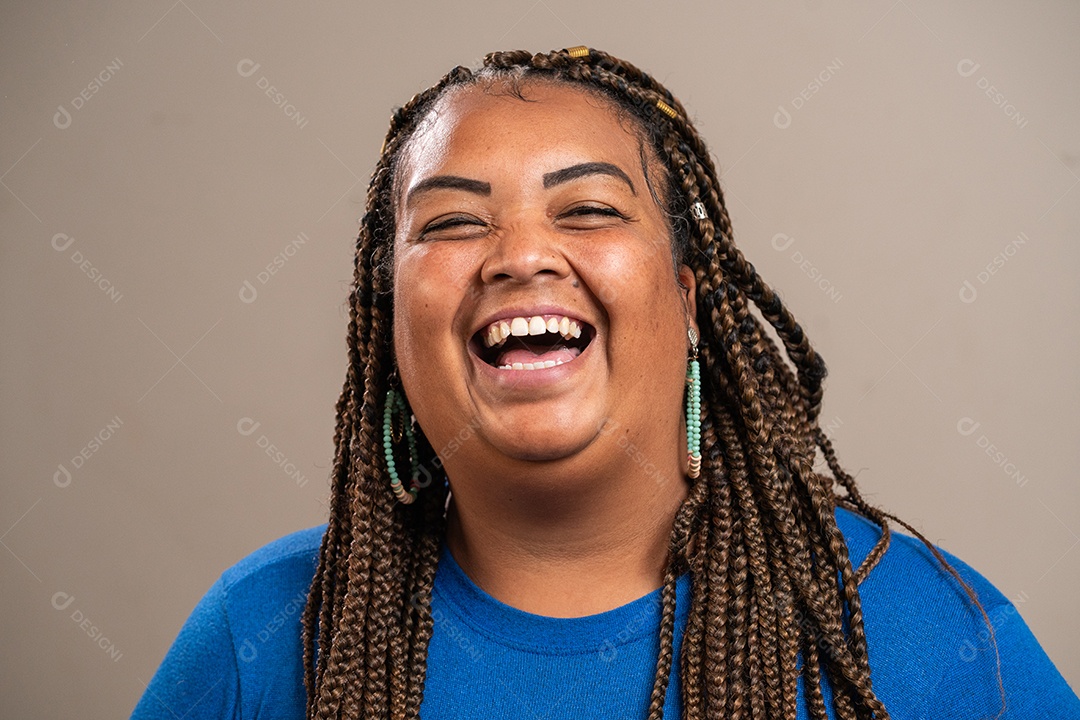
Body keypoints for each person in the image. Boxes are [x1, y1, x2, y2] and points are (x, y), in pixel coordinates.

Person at [131, 47, 1080, 720]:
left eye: (587, 209)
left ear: (688, 298)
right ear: (388, 323)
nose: (521, 255)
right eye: (452, 223)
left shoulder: (927, 635)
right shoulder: (263, 635)